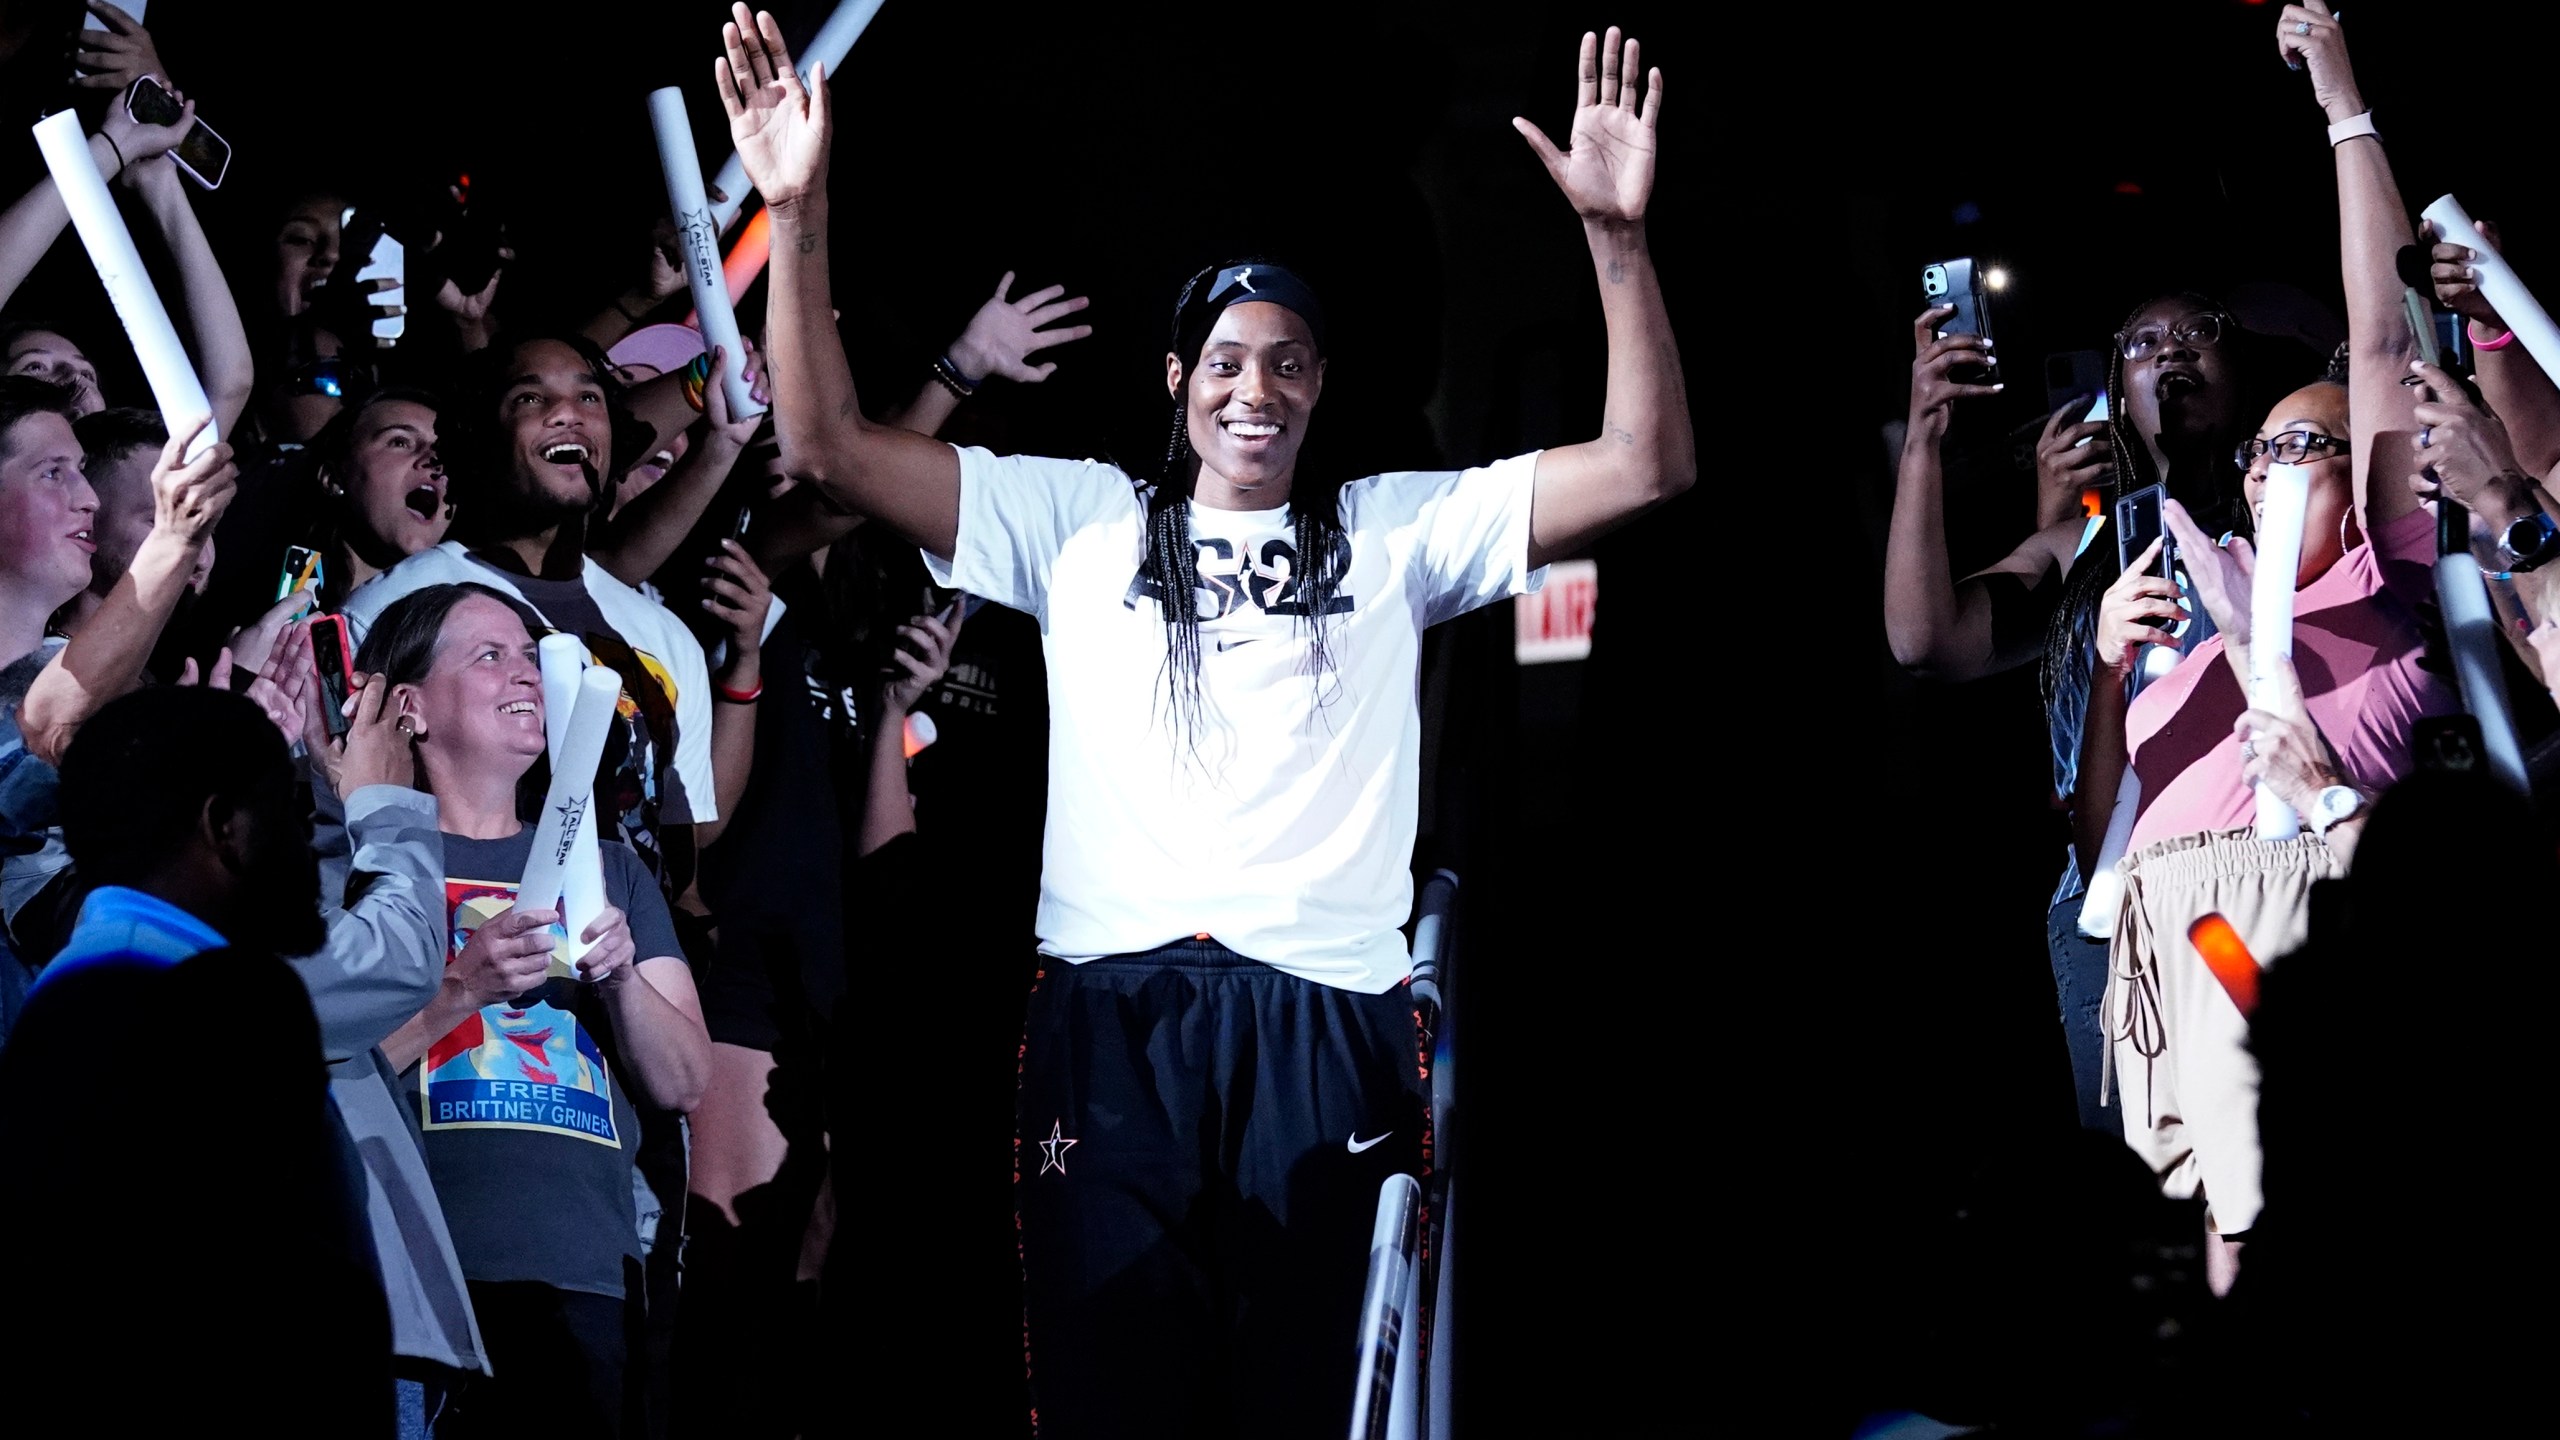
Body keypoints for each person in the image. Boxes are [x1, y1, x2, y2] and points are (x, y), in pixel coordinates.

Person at [719, 10, 1691, 1432]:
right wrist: (796, 211)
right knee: (1117, 1401)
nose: (1258, 385)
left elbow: (1648, 464)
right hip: (1111, 1026)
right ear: (1178, 382)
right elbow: (827, 451)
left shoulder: (1393, 531)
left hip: (1327, 1023)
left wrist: (1615, 240)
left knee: (1308, 1408)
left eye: (1290, 361)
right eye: (1227, 358)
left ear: (1319, 390)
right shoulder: (1078, 519)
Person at [2092, 0, 2452, 1263]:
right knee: (2206, 1254)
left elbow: (2378, 327)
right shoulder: (2191, 590)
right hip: (2162, 936)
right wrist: (2102, 664)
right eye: (2263, 452)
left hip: (2292, 904)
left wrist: (2344, 112)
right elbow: (2102, 818)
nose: (2272, 468)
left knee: (2288, 1244)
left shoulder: (2376, 582)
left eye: (2310, 444)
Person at [360, 582, 709, 1440]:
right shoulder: (368, 859)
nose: (526, 673)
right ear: (410, 705)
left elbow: (686, 1080)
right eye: (490, 656)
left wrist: (623, 979)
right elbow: (320, 1075)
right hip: (421, 1284)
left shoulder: (612, 869)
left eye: (532, 654)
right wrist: (461, 991)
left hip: (586, 1281)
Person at [0, 686, 391, 1434]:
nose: (303, 842)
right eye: (287, 807)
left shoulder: (67, 995)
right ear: (224, 826)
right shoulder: (218, 1000)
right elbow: (277, 1307)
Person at [338, 335, 724, 887]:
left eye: (590, 399)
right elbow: (341, 812)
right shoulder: (392, 609)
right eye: (529, 399)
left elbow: (677, 850)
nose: (568, 413)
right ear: (479, 440)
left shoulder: (663, 637)